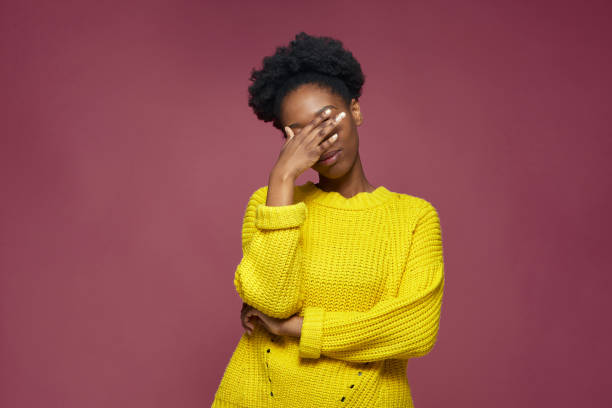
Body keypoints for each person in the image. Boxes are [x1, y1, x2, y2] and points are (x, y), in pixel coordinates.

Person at [211, 32, 445, 408]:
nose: (320, 140)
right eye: (300, 132)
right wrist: (282, 179)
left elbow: (413, 328)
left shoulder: (413, 216)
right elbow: (272, 300)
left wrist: (298, 329)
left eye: (327, 118)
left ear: (355, 111)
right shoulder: (270, 203)